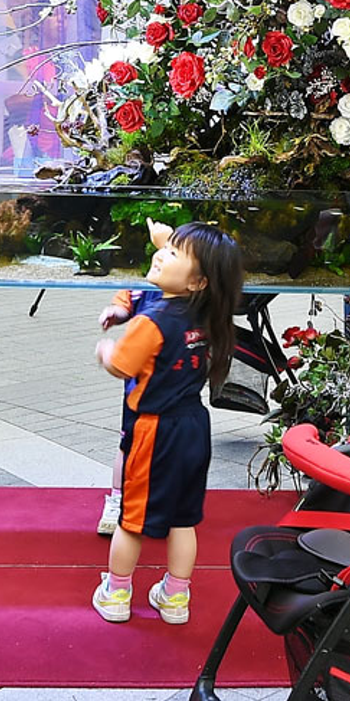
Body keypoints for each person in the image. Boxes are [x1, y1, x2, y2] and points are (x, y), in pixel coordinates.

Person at [91, 222, 243, 625]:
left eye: (173, 253)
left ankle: (116, 592)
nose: (160, 255)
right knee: (184, 519)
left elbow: (122, 365)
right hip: (193, 426)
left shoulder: (153, 320)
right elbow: (172, 273)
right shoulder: (210, 312)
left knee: (132, 520)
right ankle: (176, 597)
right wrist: (167, 243)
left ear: (197, 281)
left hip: (153, 430)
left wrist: (106, 352)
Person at [95, 217, 174, 534]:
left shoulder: (189, 293)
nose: (160, 259)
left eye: (170, 253)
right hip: (139, 390)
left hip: (175, 391)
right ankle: (117, 499)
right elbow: (125, 302)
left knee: (167, 449)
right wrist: (115, 313)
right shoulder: (146, 285)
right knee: (128, 444)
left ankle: (159, 500)